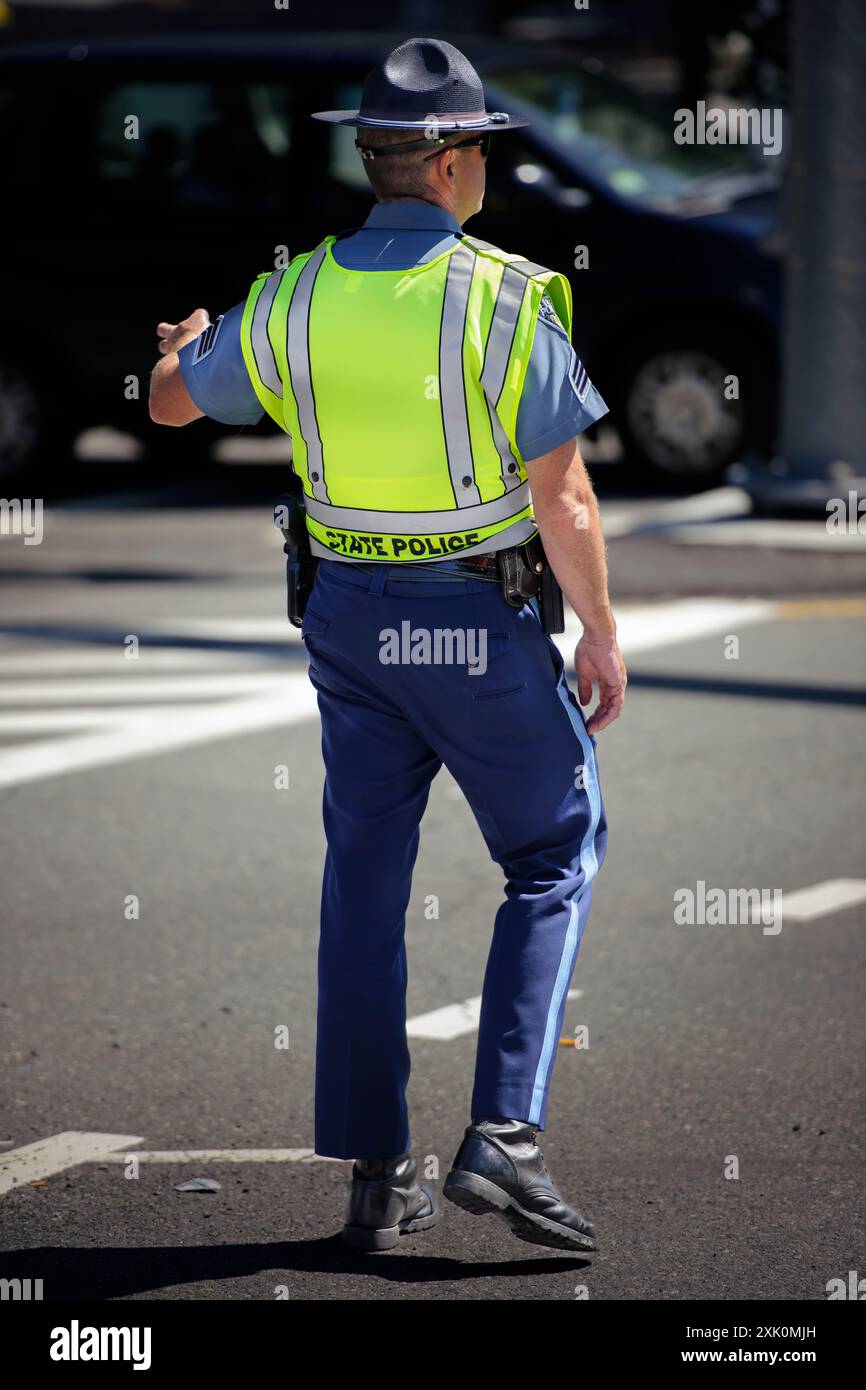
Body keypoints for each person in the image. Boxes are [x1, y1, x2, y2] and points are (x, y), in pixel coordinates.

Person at [149, 36, 627, 1255]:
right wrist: (600, 635)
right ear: (456, 162)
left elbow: (168, 403)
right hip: (474, 617)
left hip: (348, 624)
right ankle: (505, 1141)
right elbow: (561, 497)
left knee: (363, 880)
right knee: (553, 847)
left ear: (374, 158)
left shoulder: (293, 292)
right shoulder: (507, 296)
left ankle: (376, 1173)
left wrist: (176, 348)